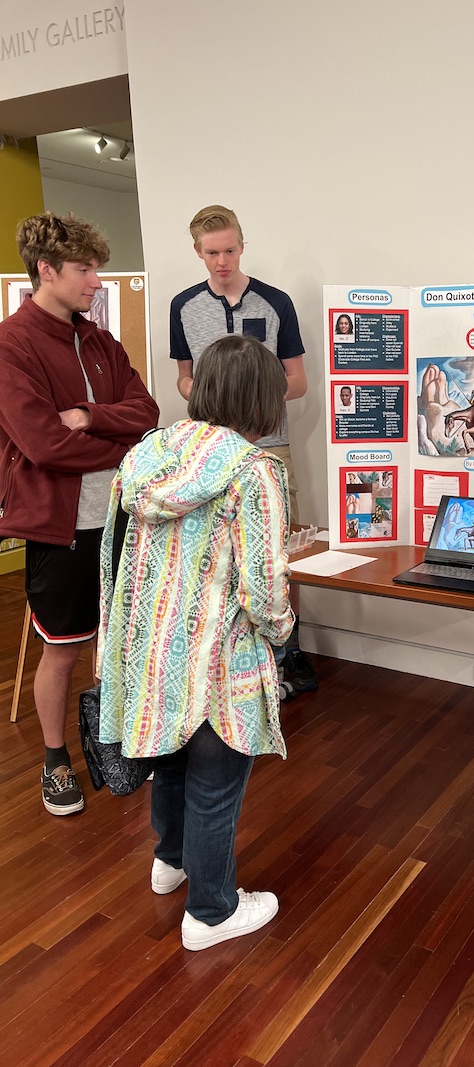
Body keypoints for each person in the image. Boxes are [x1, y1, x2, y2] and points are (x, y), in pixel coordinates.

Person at [97, 334, 294, 950]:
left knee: (171, 769)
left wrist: (117, 649)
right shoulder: (253, 470)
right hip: (218, 659)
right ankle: (211, 912)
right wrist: (282, 631)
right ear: (262, 399)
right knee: (215, 781)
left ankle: (170, 861)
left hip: (148, 652)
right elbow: (264, 585)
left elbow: (114, 559)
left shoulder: (145, 454)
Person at [0, 211, 159, 816]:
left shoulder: (98, 339)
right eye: (85, 270)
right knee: (65, 647)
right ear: (46, 271)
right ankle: (54, 759)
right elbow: (42, 444)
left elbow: (145, 410)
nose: (97, 282)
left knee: (118, 642)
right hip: (58, 526)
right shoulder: (10, 345)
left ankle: (112, 743)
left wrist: (91, 416)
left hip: (122, 518)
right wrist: (120, 443)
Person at [169, 204, 317, 692]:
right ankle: (224, 652)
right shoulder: (183, 306)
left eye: (230, 250)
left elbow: (297, 381)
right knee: (215, 549)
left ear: (242, 245)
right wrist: (208, 398)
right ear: (198, 252)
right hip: (207, 450)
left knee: (279, 546)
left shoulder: (276, 302)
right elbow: (184, 379)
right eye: (212, 253)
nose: (222, 261)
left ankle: (288, 649)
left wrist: (249, 396)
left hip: (269, 444)